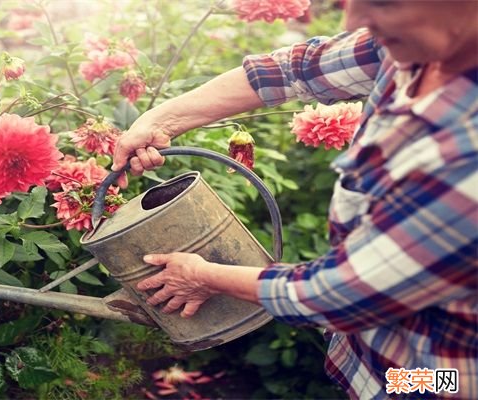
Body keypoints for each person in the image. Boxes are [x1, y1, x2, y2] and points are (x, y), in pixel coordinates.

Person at [110, 1, 478, 398]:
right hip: (377, 360)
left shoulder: (466, 151)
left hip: (448, 378)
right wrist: (161, 120)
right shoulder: (424, 43)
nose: (351, 20)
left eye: (383, 4)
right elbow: (295, 69)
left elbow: (340, 292)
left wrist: (202, 275)